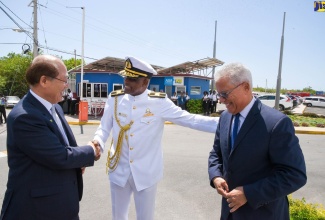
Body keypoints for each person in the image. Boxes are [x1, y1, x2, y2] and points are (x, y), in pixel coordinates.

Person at [92, 56, 219, 220]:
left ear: (145, 82)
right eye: (126, 77)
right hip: (118, 169)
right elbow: (104, 127)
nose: (126, 82)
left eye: (132, 79)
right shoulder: (115, 98)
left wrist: (225, 124)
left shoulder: (159, 102)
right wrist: (97, 142)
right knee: (118, 216)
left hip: (146, 173)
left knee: (145, 217)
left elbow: (190, 119)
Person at [0, 55, 101, 220]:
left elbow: (63, 147)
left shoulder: (55, 108)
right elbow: (59, 156)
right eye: (64, 80)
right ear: (44, 81)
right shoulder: (25, 116)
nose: (67, 85)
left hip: (60, 204)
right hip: (37, 210)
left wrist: (77, 162)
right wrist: (90, 151)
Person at [208, 63, 307, 220]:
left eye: (225, 93)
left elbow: (295, 174)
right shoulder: (225, 118)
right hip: (229, 214)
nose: (220, 100)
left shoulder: (276, 123)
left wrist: (248, 193)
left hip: (264, 214)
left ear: (246, 87)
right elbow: (216, 153)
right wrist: (216, 176)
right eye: (218, 94)